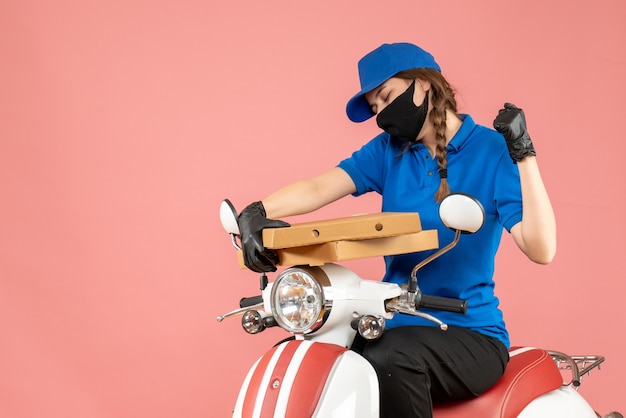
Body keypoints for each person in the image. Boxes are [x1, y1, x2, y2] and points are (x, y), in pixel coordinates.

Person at [236, 42, 556, 418]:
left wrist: (523, 152)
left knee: (389, 359)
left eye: (386, 98)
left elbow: (541, 248)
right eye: (374, 109)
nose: (382, 115)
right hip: (391, 324)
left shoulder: (490, 149)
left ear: (422, 84)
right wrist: (258, 211)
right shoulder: (391, 150)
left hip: (468, 333)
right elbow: (322, 186)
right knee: (310, 355)